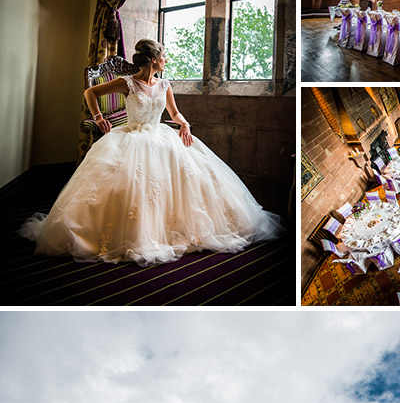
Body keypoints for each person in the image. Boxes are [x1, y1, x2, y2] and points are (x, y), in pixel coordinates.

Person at [21, 39, 281, 266]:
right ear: (154, 59)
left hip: (161, 135)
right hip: (131, 137)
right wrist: (98, 117)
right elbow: (90, 92)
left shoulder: (164, 84)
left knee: (190, 173)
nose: (166, 60)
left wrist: (185, 124)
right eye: (164, 56)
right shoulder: (127, 84)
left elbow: (174, 113)